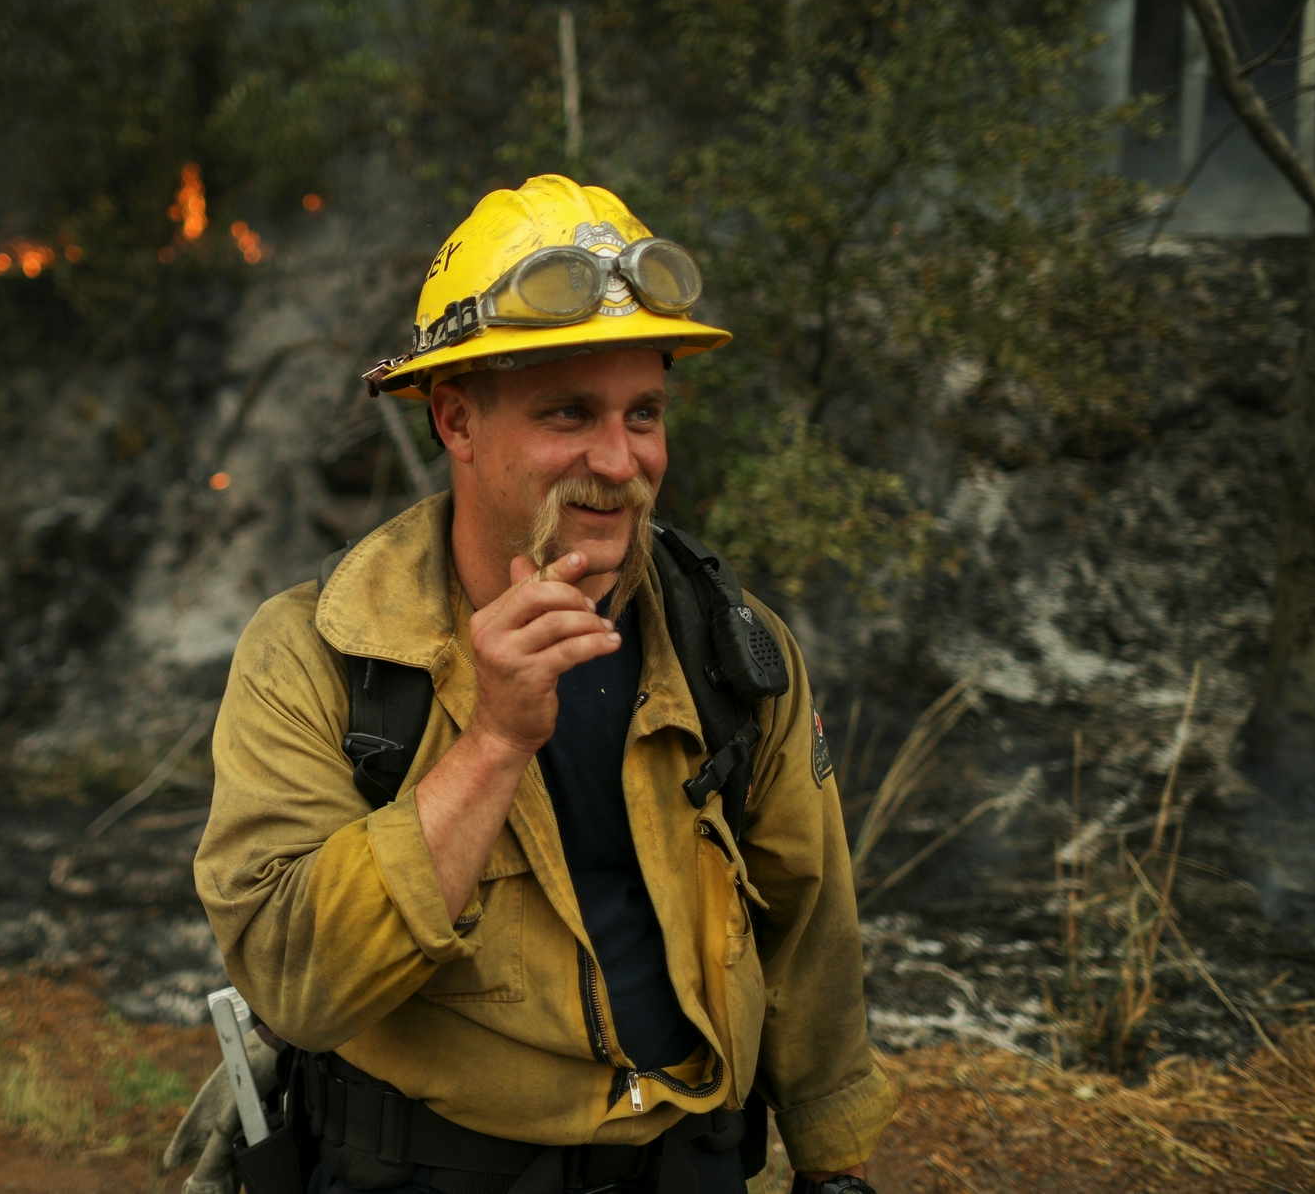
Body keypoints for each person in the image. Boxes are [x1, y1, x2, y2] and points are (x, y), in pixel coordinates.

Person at [176, 176, 895, 1194]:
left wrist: (832, 1168)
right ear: (455, 420)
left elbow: (808, 919)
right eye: (569, 411)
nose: (620, 459)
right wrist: (491, 740)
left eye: (642, 411)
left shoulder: (725, 645)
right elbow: (296, 980)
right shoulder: (316, 654)